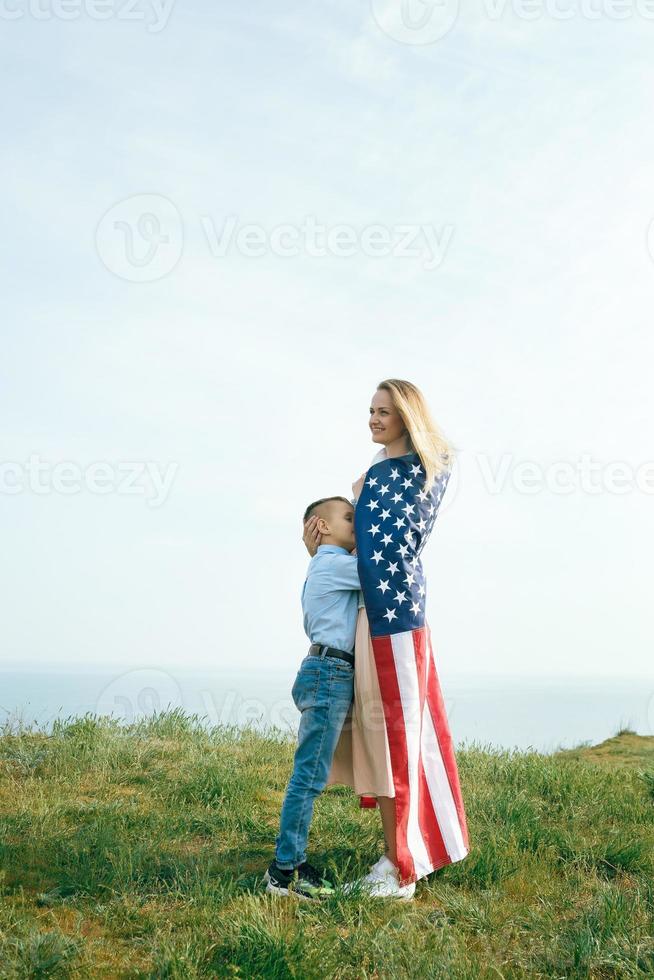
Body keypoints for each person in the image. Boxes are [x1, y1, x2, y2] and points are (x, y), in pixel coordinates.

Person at [302, 378, 470, 901]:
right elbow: (366, 549)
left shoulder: (408, 474)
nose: (373, 420)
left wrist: (362, 498)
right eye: (370, 411)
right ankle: (401, 852)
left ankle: (402, 868)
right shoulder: (377, 473)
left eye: (384, 412)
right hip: (375, 617)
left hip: (394, 622)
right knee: (384, 736)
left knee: (397, 735)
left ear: (406, 417)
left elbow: (396, 545)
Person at [264, 495, 364, 901]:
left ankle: (290, 862)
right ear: (321, 526)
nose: (357, 524)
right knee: (308, 776)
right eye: (349, 517)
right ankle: (284, 872)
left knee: (310, 773)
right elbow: (380, 571)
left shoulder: (323, 562)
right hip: (329, 674)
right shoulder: (333, 564)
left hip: (326, 671)